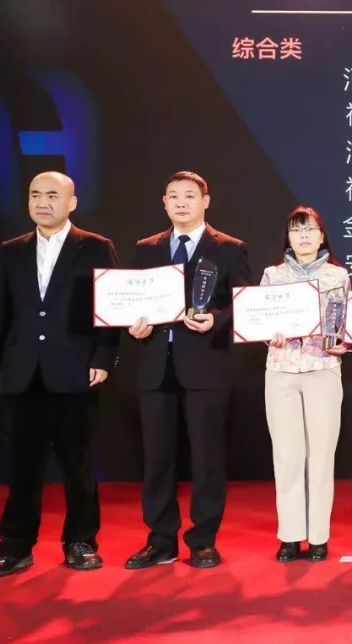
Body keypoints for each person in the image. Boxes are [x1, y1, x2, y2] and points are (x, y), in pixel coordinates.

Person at [0, 171, 119, 579]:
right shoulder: (12, 250)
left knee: (78, 463)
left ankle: (81, 542)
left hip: (76, 371)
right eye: (35, 195)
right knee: (23, 466)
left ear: (72, 202)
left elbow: (109, 309)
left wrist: (103, 357)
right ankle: (14, 548)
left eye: (53, 195)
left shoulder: (95, 247)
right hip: (21, 372)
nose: (43, 202)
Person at [124, 171, 252, 569]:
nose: (181, 203)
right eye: (174, 196)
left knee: (207, 457)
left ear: (205, 201)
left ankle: (203, 540)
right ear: (164, 203)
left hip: (205, 366)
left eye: (189, 196)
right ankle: (160, 540)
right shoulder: (146, 249)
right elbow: (131, 300)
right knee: (157, 458)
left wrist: (216, 319)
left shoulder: (228, 248)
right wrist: (132, 324)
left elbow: (243, 303)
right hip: (155, 367)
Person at [260, 207, 349, 563]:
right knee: (286, 454)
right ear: (288, 237)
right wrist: (269, 335)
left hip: (322, 369)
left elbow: (346, 327)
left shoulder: (337, 275)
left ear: (322, 236)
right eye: (297, 230)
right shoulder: (273, 275)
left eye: (311, 229)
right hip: (281, 370)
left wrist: (344, 344)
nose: (304, 236)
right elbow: (259, 319)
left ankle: (318, 537)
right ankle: (290, 535)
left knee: (321, 454)